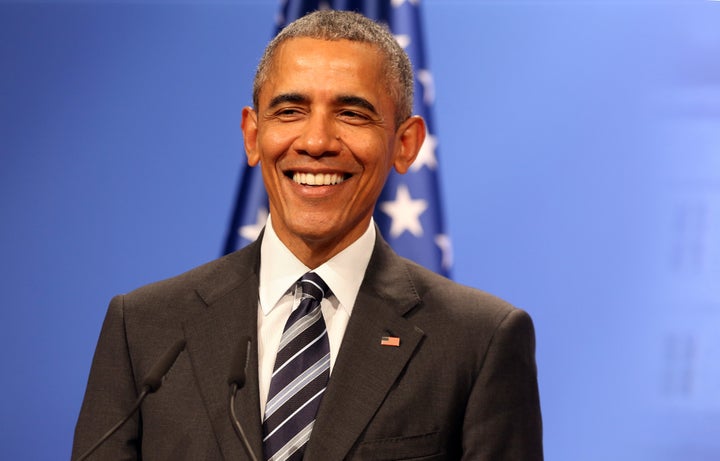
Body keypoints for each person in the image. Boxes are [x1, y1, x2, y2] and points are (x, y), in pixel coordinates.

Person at [72, 9, 542, 461]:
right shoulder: (144, 330)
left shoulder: (478, 340)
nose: (316, 142)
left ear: (405, 144)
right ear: (252, 136)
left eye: (352, 114)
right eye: (291, 110)